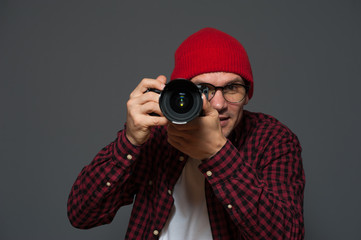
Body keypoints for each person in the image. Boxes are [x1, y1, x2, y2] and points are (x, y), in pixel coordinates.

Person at [67, 27, 305, 240]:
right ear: (182, 94)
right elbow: (82, 214)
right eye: (204, 89)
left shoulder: (272, 139)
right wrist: (129, 141)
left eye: (232, 88)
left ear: (248, 93)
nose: (220, 104)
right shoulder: (157, 135)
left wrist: (217, 154)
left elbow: (287, 234)